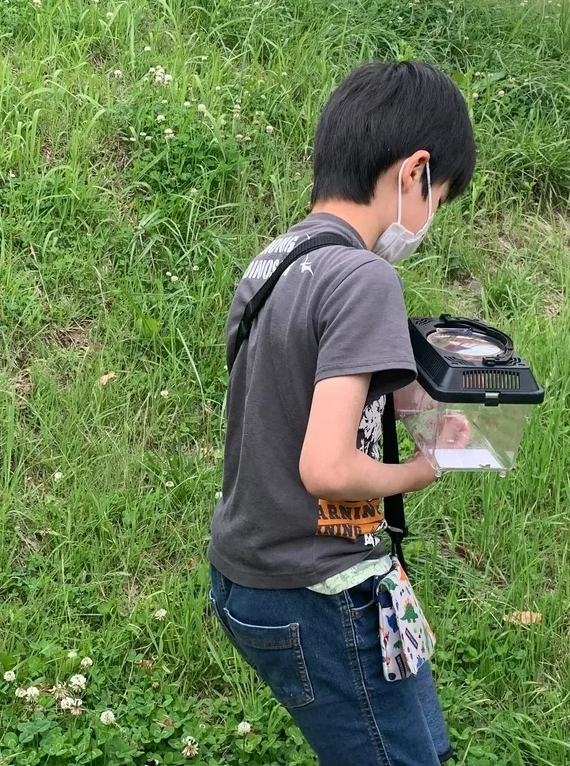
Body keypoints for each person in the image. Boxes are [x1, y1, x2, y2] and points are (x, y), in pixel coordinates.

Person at [208, 61, 477, 766]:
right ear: (414, 172)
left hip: (252, 574)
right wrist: (424, 468)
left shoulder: (278, 259)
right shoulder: (364, 275)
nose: (430, 219)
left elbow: (293, 393)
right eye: (440, 196)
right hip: (321, 590)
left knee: (417, 741)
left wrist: (414, 402)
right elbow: (326, 464)